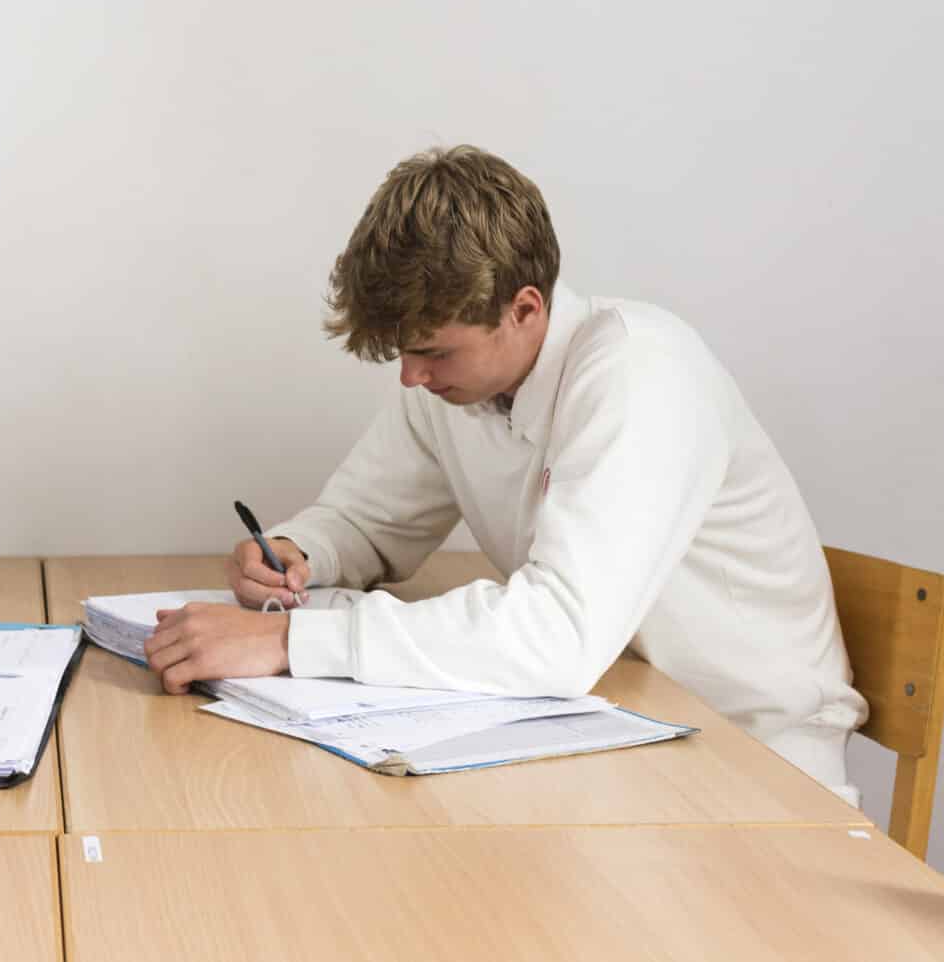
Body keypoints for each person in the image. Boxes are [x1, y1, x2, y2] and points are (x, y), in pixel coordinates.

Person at [143, 145, 867, 802]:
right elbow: (368, 520)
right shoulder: (456, 387)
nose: (412, 377)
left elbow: (556, 636)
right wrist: (300, 553)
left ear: (525, 308)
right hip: (616, 728)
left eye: (434, 352)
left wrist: (282, 642)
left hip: (755, 775)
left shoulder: (640, 375)